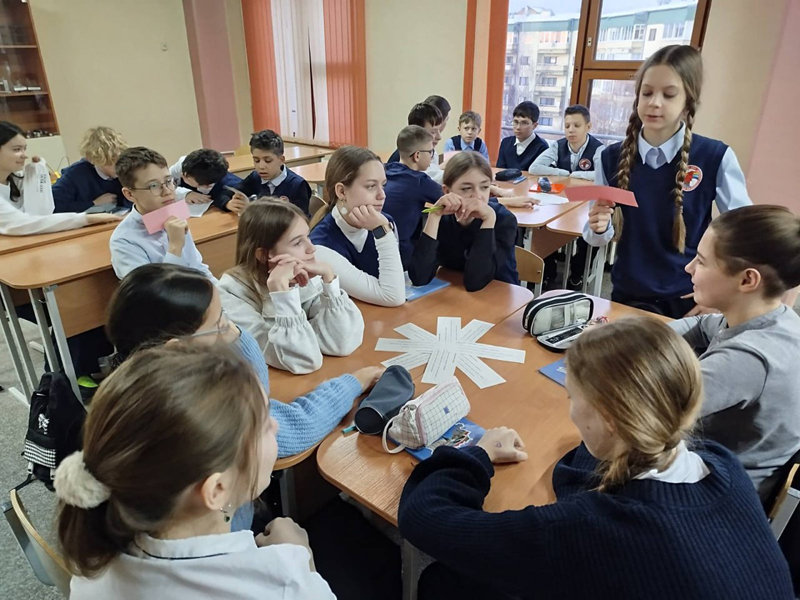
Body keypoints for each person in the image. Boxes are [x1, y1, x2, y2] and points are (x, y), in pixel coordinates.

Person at [398, 317, 794, 600]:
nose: (570, 412)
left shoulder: (587, 530)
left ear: (608, 418)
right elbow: (583, 474)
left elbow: (424, 519)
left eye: (572, 397)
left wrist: (477, 454)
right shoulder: (721, 464)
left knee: (442, 582)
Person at [55, 343, 337, 599]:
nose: (275, 425)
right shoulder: (283, 582)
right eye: (264, 424)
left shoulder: (94, 563)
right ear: (216, 489)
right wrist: (303, 558)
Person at [106, 263, 381, 459]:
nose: (230, 329)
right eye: (219, 323)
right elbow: (285, 422)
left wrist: (221, 324)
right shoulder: (194, 412)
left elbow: (258, 402)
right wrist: (355, 382)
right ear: (176, 350)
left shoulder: (135, 384)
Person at [583, 45, 751, 318]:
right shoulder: (609, 157)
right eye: (647, 92)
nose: (654, 102)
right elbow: (596, 237)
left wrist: (721, 297)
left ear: (688, 102)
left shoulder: (714, 156)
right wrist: (598, 227)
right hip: (626, 296)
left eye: (669, 94)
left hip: (688, 300)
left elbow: (746, 235)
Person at [669, 205, 800, 503]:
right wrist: (646, 338)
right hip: (721, 465)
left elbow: (647, 411)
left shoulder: (747, 360)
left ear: (747, 280)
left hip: (720, 494)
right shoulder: (776, 317)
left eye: (702, 262)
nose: (689, 268)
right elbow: (702, 324)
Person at [219, 198, 364, 374]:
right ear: (264, 255)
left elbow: (342, 343)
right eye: (297, 242)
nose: (311, 248)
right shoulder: (231, 293)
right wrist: (282, 294)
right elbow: (303, 361)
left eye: (308, 236)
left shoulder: (303, 273)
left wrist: (329, 280)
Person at [309, 146, 405, 307]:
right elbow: (393, 296)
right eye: (371, 186)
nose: (382, 195)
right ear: (342, 192)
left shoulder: (384, 221)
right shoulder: (321, 247)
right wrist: (382, 233)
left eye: (383, 185)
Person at [409, 152, 518, 292]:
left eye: (484, 187)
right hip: (456, 294)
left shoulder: (503, 220)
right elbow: (419, 278)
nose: (478, 196)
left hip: (498, 295)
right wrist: (434, 217)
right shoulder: (442, 219)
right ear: (447, 191)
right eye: (466, 189)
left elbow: (476, 282)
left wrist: (488, 221)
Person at [110, 146, 213, 280]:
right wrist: (175, 247)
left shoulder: (174, 215)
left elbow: (197, 267)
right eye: (154, 185)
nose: (167, 191)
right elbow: (152, 290)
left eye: (168, 181)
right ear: (130, 194)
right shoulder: (124, 241)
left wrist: (220, 291)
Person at [0, 121, 120, 235]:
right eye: (16, 149)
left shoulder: (18, 180)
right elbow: (20, 224)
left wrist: (37, 177)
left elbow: (41, 213)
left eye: (24, 149)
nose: (24, 155)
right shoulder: (76, 173)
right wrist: (86, 218)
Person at [530, 105, 603, 289]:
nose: (571, 130)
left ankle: (577, 274)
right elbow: (534, 168)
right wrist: (563, 172)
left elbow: (602, 175)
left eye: (576, 125)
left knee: (589, 233)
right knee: (542, 227)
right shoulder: (558, 145)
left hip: (585, 203)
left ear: (588, 126)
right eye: (567, 126)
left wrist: (577, 174)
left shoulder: (598, 149)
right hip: (560, 201)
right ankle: (548, 271)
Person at [382, 125, 442, 268]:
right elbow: (450, 199)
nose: (432, 156)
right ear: (417, 155)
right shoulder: (419, 181)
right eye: (431, 152)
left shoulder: (385, 170)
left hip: (375, 245)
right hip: (400, 253)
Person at [53, 126, 131, 213]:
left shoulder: (129, 169)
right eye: (110, 163)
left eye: (120, 161)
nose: (120, 167)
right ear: (94, 161)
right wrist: (93, 203)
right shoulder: (74, 175)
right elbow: (54, 206)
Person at [239, 130, 313, 216]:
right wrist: (229, 203)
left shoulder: (297, 185)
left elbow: (302, 219)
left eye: (268, 160)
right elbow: (233, 191)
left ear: (281, 160)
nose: (261, 166)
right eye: (256, 160)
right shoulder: (255, 177)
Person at [169, 148, 247, 213]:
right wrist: (186, 194)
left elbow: (222, 196)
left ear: (206, 186)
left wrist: (227, 203)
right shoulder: (184, 164)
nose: (182, 175)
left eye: (186, 177)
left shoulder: (229, 182)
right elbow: (166, 184)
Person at [386, 102, 445, 184]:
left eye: (439, 130)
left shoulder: (431, 152)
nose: (439, 137)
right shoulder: (400, 160)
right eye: (433, 132)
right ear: (417, 131)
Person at [496, 101, 547, 171]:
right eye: (515, 122)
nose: (518, 127)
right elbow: (500, 171)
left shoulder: (542, 147)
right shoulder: (505, 143)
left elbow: (539, 174)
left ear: (534, 126)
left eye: (524, 123)